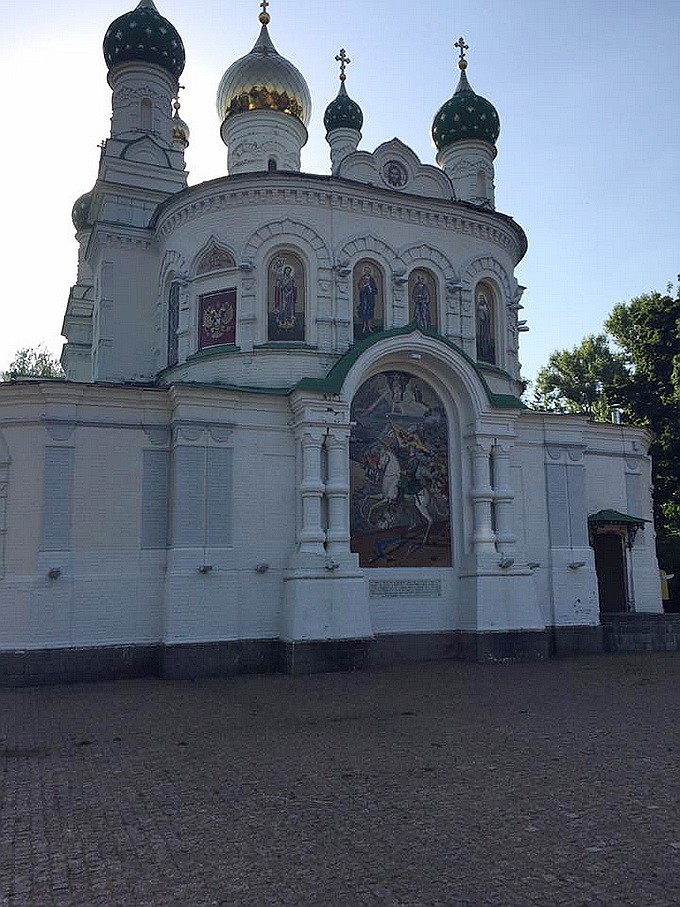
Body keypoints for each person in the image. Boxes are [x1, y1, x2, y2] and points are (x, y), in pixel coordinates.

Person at [357, 266, 378, 335]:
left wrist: (370, 288)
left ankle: (370, 326)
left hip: (370, 299)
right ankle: (363, 326)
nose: (367, 272)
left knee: (370, 311)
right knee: (364, 311)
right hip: (364, 299)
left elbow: (375, 290)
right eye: (366, 271)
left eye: (368, 271)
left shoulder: (372, 280)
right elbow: (360, 287)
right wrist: (364, 285)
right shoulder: (362, 279)